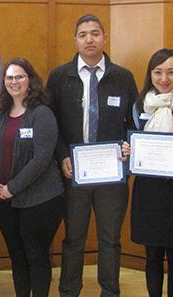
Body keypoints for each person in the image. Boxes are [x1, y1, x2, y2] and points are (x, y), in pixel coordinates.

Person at [46, 14, 138, 297]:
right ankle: (69, 291)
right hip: (74, 174)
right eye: (83, 34)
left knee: (110, 240)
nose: (89, 39)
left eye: (95, 33)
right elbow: (51, 124)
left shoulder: (123, 77)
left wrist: (128, 145)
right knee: (73, 238)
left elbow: (134, 125)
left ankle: (109, 291)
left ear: (104, 38)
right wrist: (62, 155)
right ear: (75, 40)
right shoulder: (60, 77)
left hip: (112, 177)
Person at [123, 49, 173, 297]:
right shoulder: (138, 105)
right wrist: (127, 148)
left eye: (171, 72)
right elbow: (127, 137)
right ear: (151, 74)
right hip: (148, 191)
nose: (164, 78)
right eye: (158, 72)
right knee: (152, 256)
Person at [0, 57, 64, 297]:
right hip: (5, 201)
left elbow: (41, 159)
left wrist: (12, 187)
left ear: (30, 81)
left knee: (36, 256)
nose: (14, 81)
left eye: (20, 76)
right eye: (10, 77)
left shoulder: (42, 114)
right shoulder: (4, 114)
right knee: (17, 256)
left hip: (40, 200)